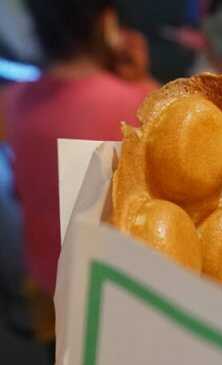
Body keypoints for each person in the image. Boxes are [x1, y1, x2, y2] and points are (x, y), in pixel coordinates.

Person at [1, 0, 157, 300]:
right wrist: (142, 79)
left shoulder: (13, 103)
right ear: (107, 22)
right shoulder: (138, 102)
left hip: (49, 285)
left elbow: (20, 192)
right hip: (113, 291)